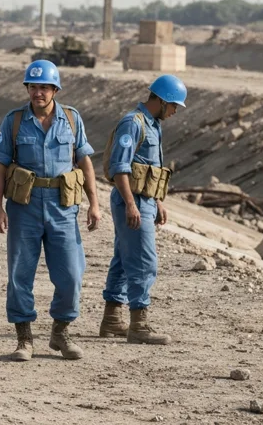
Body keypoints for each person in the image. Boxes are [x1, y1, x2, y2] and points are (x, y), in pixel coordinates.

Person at [0, 60, 101, 362]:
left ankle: (60, 332)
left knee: (71, 274)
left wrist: (94, 203)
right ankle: (24, 339)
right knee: (20, 274)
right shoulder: (13, 121)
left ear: (55, 89)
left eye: (44, 87)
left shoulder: (72, 119)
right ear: (27, 88)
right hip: (24, 208)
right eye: (33, 87)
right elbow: (0, 166)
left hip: (63, 207)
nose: (38, 93)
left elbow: (85, 161)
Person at [98, 75, 187, 345]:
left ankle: (112, 321)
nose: (174, 112)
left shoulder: (154, 125)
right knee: (144, 263)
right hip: (132, 201)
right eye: (172, 106)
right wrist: (130, 204)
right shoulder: (133, 123)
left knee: (124, 260)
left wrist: (157, 201)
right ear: (159, 100)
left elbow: (150, 169)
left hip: (144, 200)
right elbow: (120, 167)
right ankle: (139, 325)